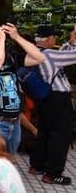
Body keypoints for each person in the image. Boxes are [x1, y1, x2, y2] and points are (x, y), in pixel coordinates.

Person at [0, 23, 45, 154]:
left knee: (8, 163)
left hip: (15, 122)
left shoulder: (11, 57)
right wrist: (3, 40)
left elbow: (39, 57)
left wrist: (17, 37)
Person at [29, 24, 76, 185]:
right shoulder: (49, 54)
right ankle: (53, 173)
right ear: (49, 39)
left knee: (45, 132)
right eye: (54, 37)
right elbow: (73, 56)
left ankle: (37, 165)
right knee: (60, 136)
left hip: (45, 98)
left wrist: (70, 42)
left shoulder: (36, 52)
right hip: (58, 98)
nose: (55, 39)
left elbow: (62, 56)